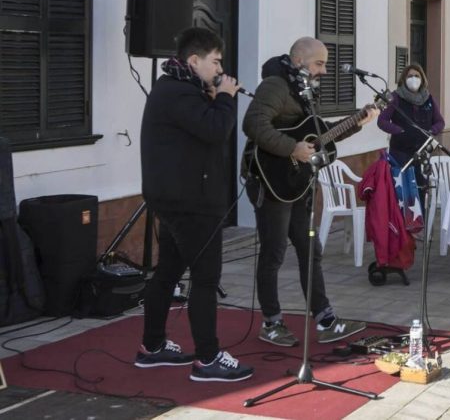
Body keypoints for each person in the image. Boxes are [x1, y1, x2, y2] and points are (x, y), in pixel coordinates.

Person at [136, 27, 253, 382]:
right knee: (205, 278)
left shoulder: (176, 88)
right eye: (215, 61)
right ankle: (207, 358)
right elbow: (216, 129)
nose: (220, 69)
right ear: (194, 60)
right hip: (190, 202)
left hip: (177, 197)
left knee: (168, 272)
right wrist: (226, 97)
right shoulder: (179, 93)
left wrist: (215, 94)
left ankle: (152, 348)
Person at [243, 37, 376, 347]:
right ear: (299, 61)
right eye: (320, 63)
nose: (325, 70)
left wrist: (357, 121)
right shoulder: (276, 86)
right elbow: (252, 124)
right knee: (274, 253)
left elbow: (315, 131)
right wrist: (293, 148)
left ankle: (325, 318)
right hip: (270, 181)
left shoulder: (303, 91)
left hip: (296, 183)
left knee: (309, 251)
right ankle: (272, 322)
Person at [377, 63, 446, 173]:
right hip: (400, 153)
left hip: (422, 153)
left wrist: (431, 131)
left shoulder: (428, 98)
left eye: (417, 76)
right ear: (404, 79)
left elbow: (440, 122)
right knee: (403, 187)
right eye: (410, 76)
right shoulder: (395, 97)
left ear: (422, 79)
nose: (413, 78)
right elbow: (382, 121)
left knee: (421, 186)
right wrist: (399, 130)